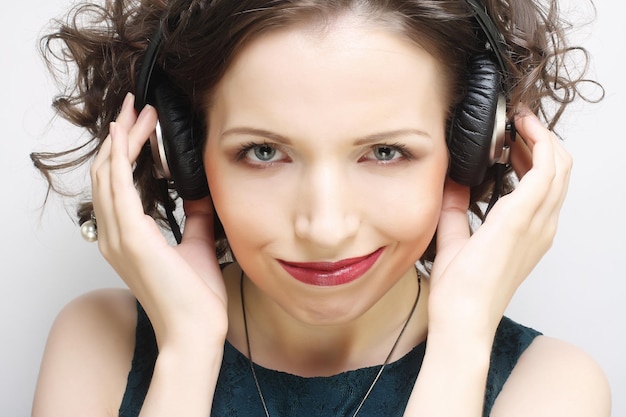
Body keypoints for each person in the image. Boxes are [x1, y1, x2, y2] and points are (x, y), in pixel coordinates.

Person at [30, 0, 611, 416]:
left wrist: (462, 345)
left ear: (475, 148)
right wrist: (186, 352)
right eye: (263, 152)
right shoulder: (99, 344)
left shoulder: (550, 388)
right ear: (178, 154)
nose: (325, 228)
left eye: (386, 152)